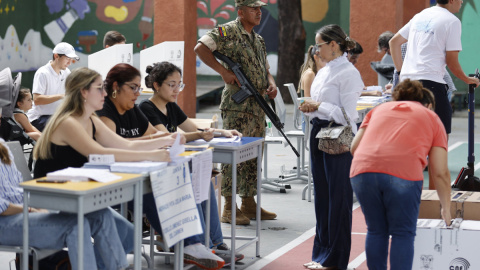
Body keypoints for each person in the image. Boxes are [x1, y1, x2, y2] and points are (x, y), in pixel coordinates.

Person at [97, 63, 227, 269]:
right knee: (157, 191)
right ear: (115, 87)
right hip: (115, 181)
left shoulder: (133, 109)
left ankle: (197, 244)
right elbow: (115, 146)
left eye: (139, 88)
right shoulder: (106, 112)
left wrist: (173, 138)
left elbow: (156, 135)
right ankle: (191, 245)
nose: (137, 93)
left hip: (137, 174)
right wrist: (157, 144)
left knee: (185, 179)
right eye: (133, 87)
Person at [0, 101, 130, 270]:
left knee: (100, 214)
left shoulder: (2, 145)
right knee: (75, 227)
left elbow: (17, 188)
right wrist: (32, 209)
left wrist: (41, 205)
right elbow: (2, 206)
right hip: (6, 220)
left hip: (23, 209)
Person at [139, 61, 244, 262]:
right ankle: (202, 246)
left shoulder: (171, 106)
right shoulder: (146, 108)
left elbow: (189, 127)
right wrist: (199, 135)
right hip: (161, 172)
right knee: (197, 182)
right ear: (156, 85)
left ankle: (214, 244)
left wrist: (221, 132)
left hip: (175, 165)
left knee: (203, 181)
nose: (176, 89)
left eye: (179, 84)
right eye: (171, 85)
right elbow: (166, 138)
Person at [350, 79, 452, 270]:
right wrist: (446, 207)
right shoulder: (431, 117)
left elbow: (354, 147)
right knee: (402, 233)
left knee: (376, 231)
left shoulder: (378, 110)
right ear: (428, 105)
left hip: (362, 171)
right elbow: (440, 172)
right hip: (402, 174)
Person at [194, 0, 278, 225]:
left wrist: (271, 84)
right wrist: (223, 72)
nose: (259, 12)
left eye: (260, 9)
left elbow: (266, 70)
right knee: (233, 156)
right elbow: (200, 47)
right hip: (237, 106)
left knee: (253, 154)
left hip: (257, 105)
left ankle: (248, 203)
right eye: (253, 9)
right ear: (241, 12)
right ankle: (228, 208)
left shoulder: (257, 39)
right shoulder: (226, 31)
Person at [299, 24, 363, 270]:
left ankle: (335, 259)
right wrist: (310, 107)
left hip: (337, 135)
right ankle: (321, 254)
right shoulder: (325, 71)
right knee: (323, 198)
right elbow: (316, 104)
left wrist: (318, 106)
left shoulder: (348, 73)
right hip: (318, 133)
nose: (316, 50)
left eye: (320, 45)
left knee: (338, 199)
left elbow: (349, 116)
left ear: (334, 45)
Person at [390, 0, 480, 139]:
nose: (462, 1)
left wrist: (401, 73)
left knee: (410, 135)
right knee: (440, 136)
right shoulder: (452, 21)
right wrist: (467, 79)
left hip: (406, 85)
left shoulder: (420, 15)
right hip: (430, 85)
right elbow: (452, 62)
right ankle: (435, 162)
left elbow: (394, 42)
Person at [27, 42, 79, 132]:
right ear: (56, 56)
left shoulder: (66, 72)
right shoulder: (42, 73)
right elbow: (37, 99)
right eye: (67, 58)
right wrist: (62, 96)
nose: (70, 62)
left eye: (71, 59)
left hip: (56, 116)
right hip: (39, 118)